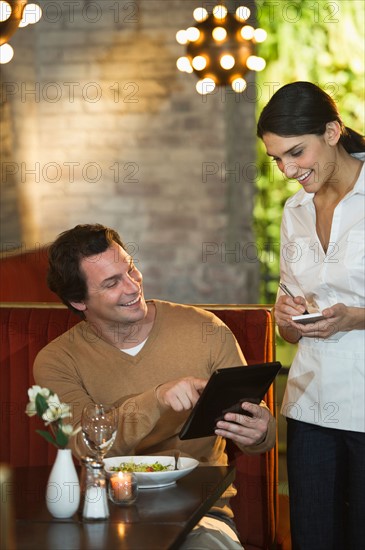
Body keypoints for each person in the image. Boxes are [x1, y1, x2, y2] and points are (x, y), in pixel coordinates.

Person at [33, 223, 276, 550]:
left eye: (131, 269)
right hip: (105, 513)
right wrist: (158, 398)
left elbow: (259, 434)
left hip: (201, 513)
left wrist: (260, 429)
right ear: (79, 301)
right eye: (112, 283)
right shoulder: (57, 360)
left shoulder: (205, 330)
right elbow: (85, 446)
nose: (133, 287)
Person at [257, 81, 365, 550]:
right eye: (276, 159)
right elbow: (287, 325)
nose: (287, 170)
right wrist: (286, 317)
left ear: (334, 131)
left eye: (296, 153)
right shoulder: (294, 211)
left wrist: (355, 317)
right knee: (313, 538)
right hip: (309, 406)